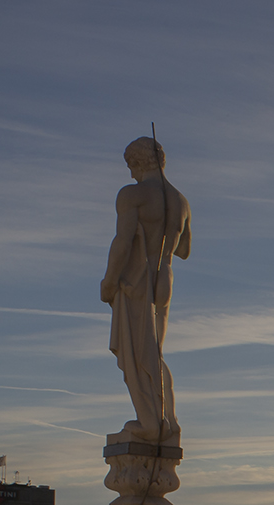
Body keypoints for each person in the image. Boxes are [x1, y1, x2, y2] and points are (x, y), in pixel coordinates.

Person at [101, 137, 192, 443]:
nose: (130, 174)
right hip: (165, 277)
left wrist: (109, 281)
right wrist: (164, 227)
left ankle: (150, 423)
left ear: (139, 162)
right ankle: (169, 421)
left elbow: (122, 242)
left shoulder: (133, 194)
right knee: (154, 353)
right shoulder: (181, 201)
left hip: (138, 280)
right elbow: (184, 250)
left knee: (137, 355)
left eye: (131, 166)